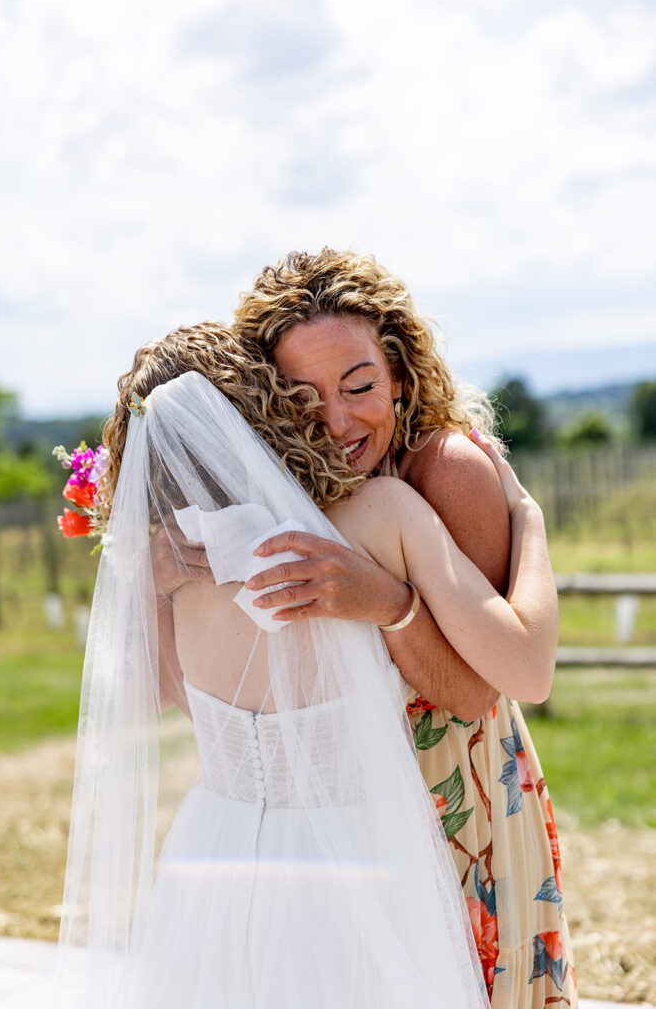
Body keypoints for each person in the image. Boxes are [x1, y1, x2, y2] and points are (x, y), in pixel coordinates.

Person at [53, 319, 566, 1009]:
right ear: (270, 408)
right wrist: (526, 519)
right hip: (360, 854)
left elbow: (145, 699)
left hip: (214, 852)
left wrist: (147, 583)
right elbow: (525, 674)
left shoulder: (172, 567)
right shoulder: (379, 516)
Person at [230, 248, 578, 1008]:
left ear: (397, 374)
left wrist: (388, 600)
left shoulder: (441, 470)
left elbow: (478, 693)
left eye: (359, 386)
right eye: (300, 396)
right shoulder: (288, 480)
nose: (337, 419)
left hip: (455, 805)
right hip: (352, 811)